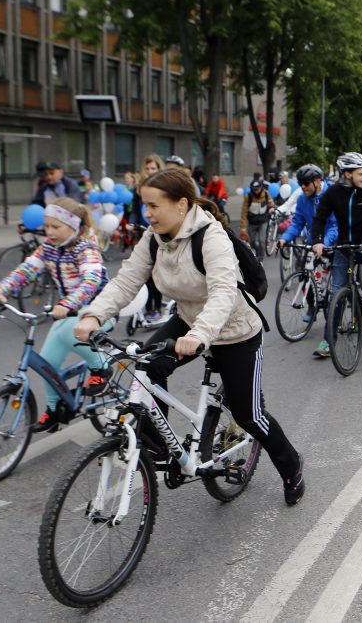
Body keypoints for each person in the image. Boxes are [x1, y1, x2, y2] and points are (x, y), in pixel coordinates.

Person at [73, 168, 305, 505]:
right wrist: (94, 314)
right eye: (144, 205)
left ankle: (291, 465)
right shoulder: (153, 238)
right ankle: (159, 450)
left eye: (154, 205)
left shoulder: (211, 237)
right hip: (189, 319)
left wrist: (200, 334)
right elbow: (125, 282)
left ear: (182, 205)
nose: (147, 213)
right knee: (148, 368)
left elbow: (224, 292)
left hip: (235, 329)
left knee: (248, 414)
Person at [0, 197, 110, 432]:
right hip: (68, 312)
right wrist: (0, 290)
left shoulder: (87, 250)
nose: (49, 232)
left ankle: (101, 366)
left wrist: (68, 302)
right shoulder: (49, 249)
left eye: (56, 227)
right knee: (47, 364)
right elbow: (25, 271)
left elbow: (91, 282)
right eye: (47, 226)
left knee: (67, 331)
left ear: (75, 227)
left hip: (100, 310)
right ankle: (55, 410)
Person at [311, 152, 362, 357]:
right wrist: (317, 241)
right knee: (336, 294)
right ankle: (328, 342)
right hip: (344, 247)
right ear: (347, 174)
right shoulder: (333, 193)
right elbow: (319, 218)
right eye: (361, 173)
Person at [129, 154, 166, 321]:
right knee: (143, 274)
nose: (150, 171)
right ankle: (147, 306)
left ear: (159, 169)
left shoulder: (164, 188)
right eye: (148, 168)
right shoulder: (139, 189)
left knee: (155, 274)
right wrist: (131, 223)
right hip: (143, 233)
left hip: (159, 234)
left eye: (154, 168)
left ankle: (156, 306)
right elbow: (135, 211)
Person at [278, 164, 337, 251]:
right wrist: (285, 238)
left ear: (317, 181)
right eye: (300, 183)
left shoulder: (332, 194)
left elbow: (335, 226)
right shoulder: (302, 199)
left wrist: (324, 243)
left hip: (334, 245)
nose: (302, 187)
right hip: (314, 245)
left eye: (306, 183)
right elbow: (297, 223)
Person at [239, 179, 274, 263]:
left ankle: (261, 257)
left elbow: (270, 203)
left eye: (258, 189)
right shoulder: (249, 196)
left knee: (262, 240)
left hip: (263, 221)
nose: (256, 191)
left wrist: (271, 207)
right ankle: (257, 250)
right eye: (254, 189)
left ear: (261, 187)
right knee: (252, 241)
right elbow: (244, 212)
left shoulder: (265, 193)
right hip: (252, 222)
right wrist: (243, 227)